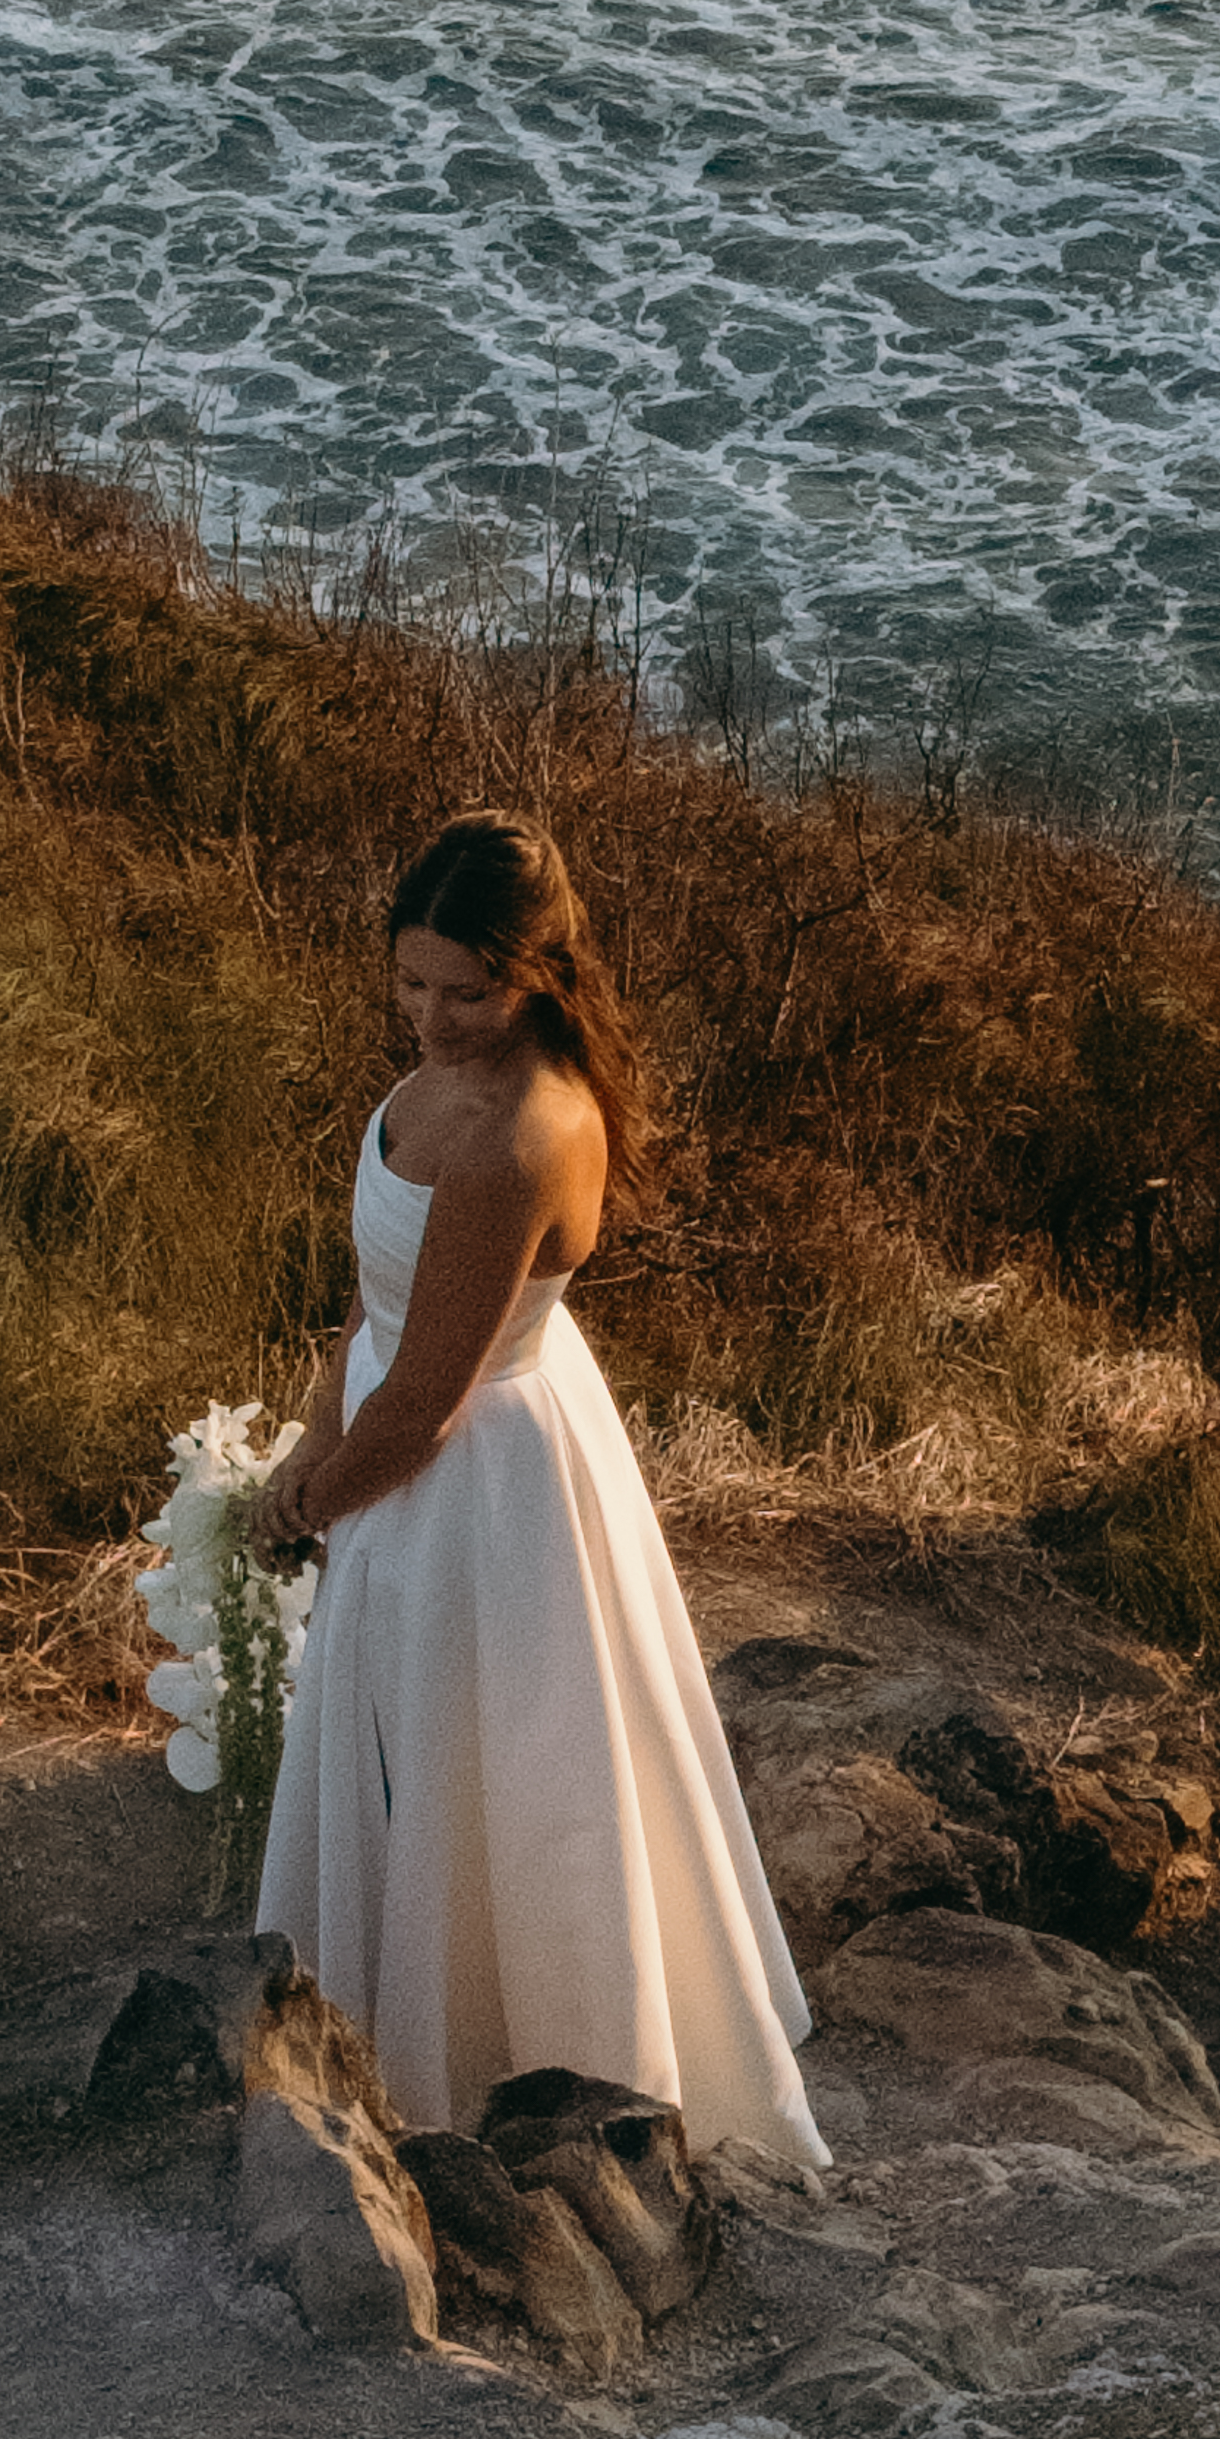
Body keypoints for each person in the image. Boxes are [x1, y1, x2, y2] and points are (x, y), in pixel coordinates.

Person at [247, 810, 826, 2190]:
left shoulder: (524, 1136)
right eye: (412, 986)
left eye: (468, 991)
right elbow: (367, 1319)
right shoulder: (419, 1098)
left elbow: (429, 1400)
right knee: (432, 1753)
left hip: (480, 1487)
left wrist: (306, 1504)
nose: (434, 1019)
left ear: (543, 973)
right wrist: (300, 1448)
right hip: (398, 1443)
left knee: (505, 1771)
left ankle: (509, 2062)